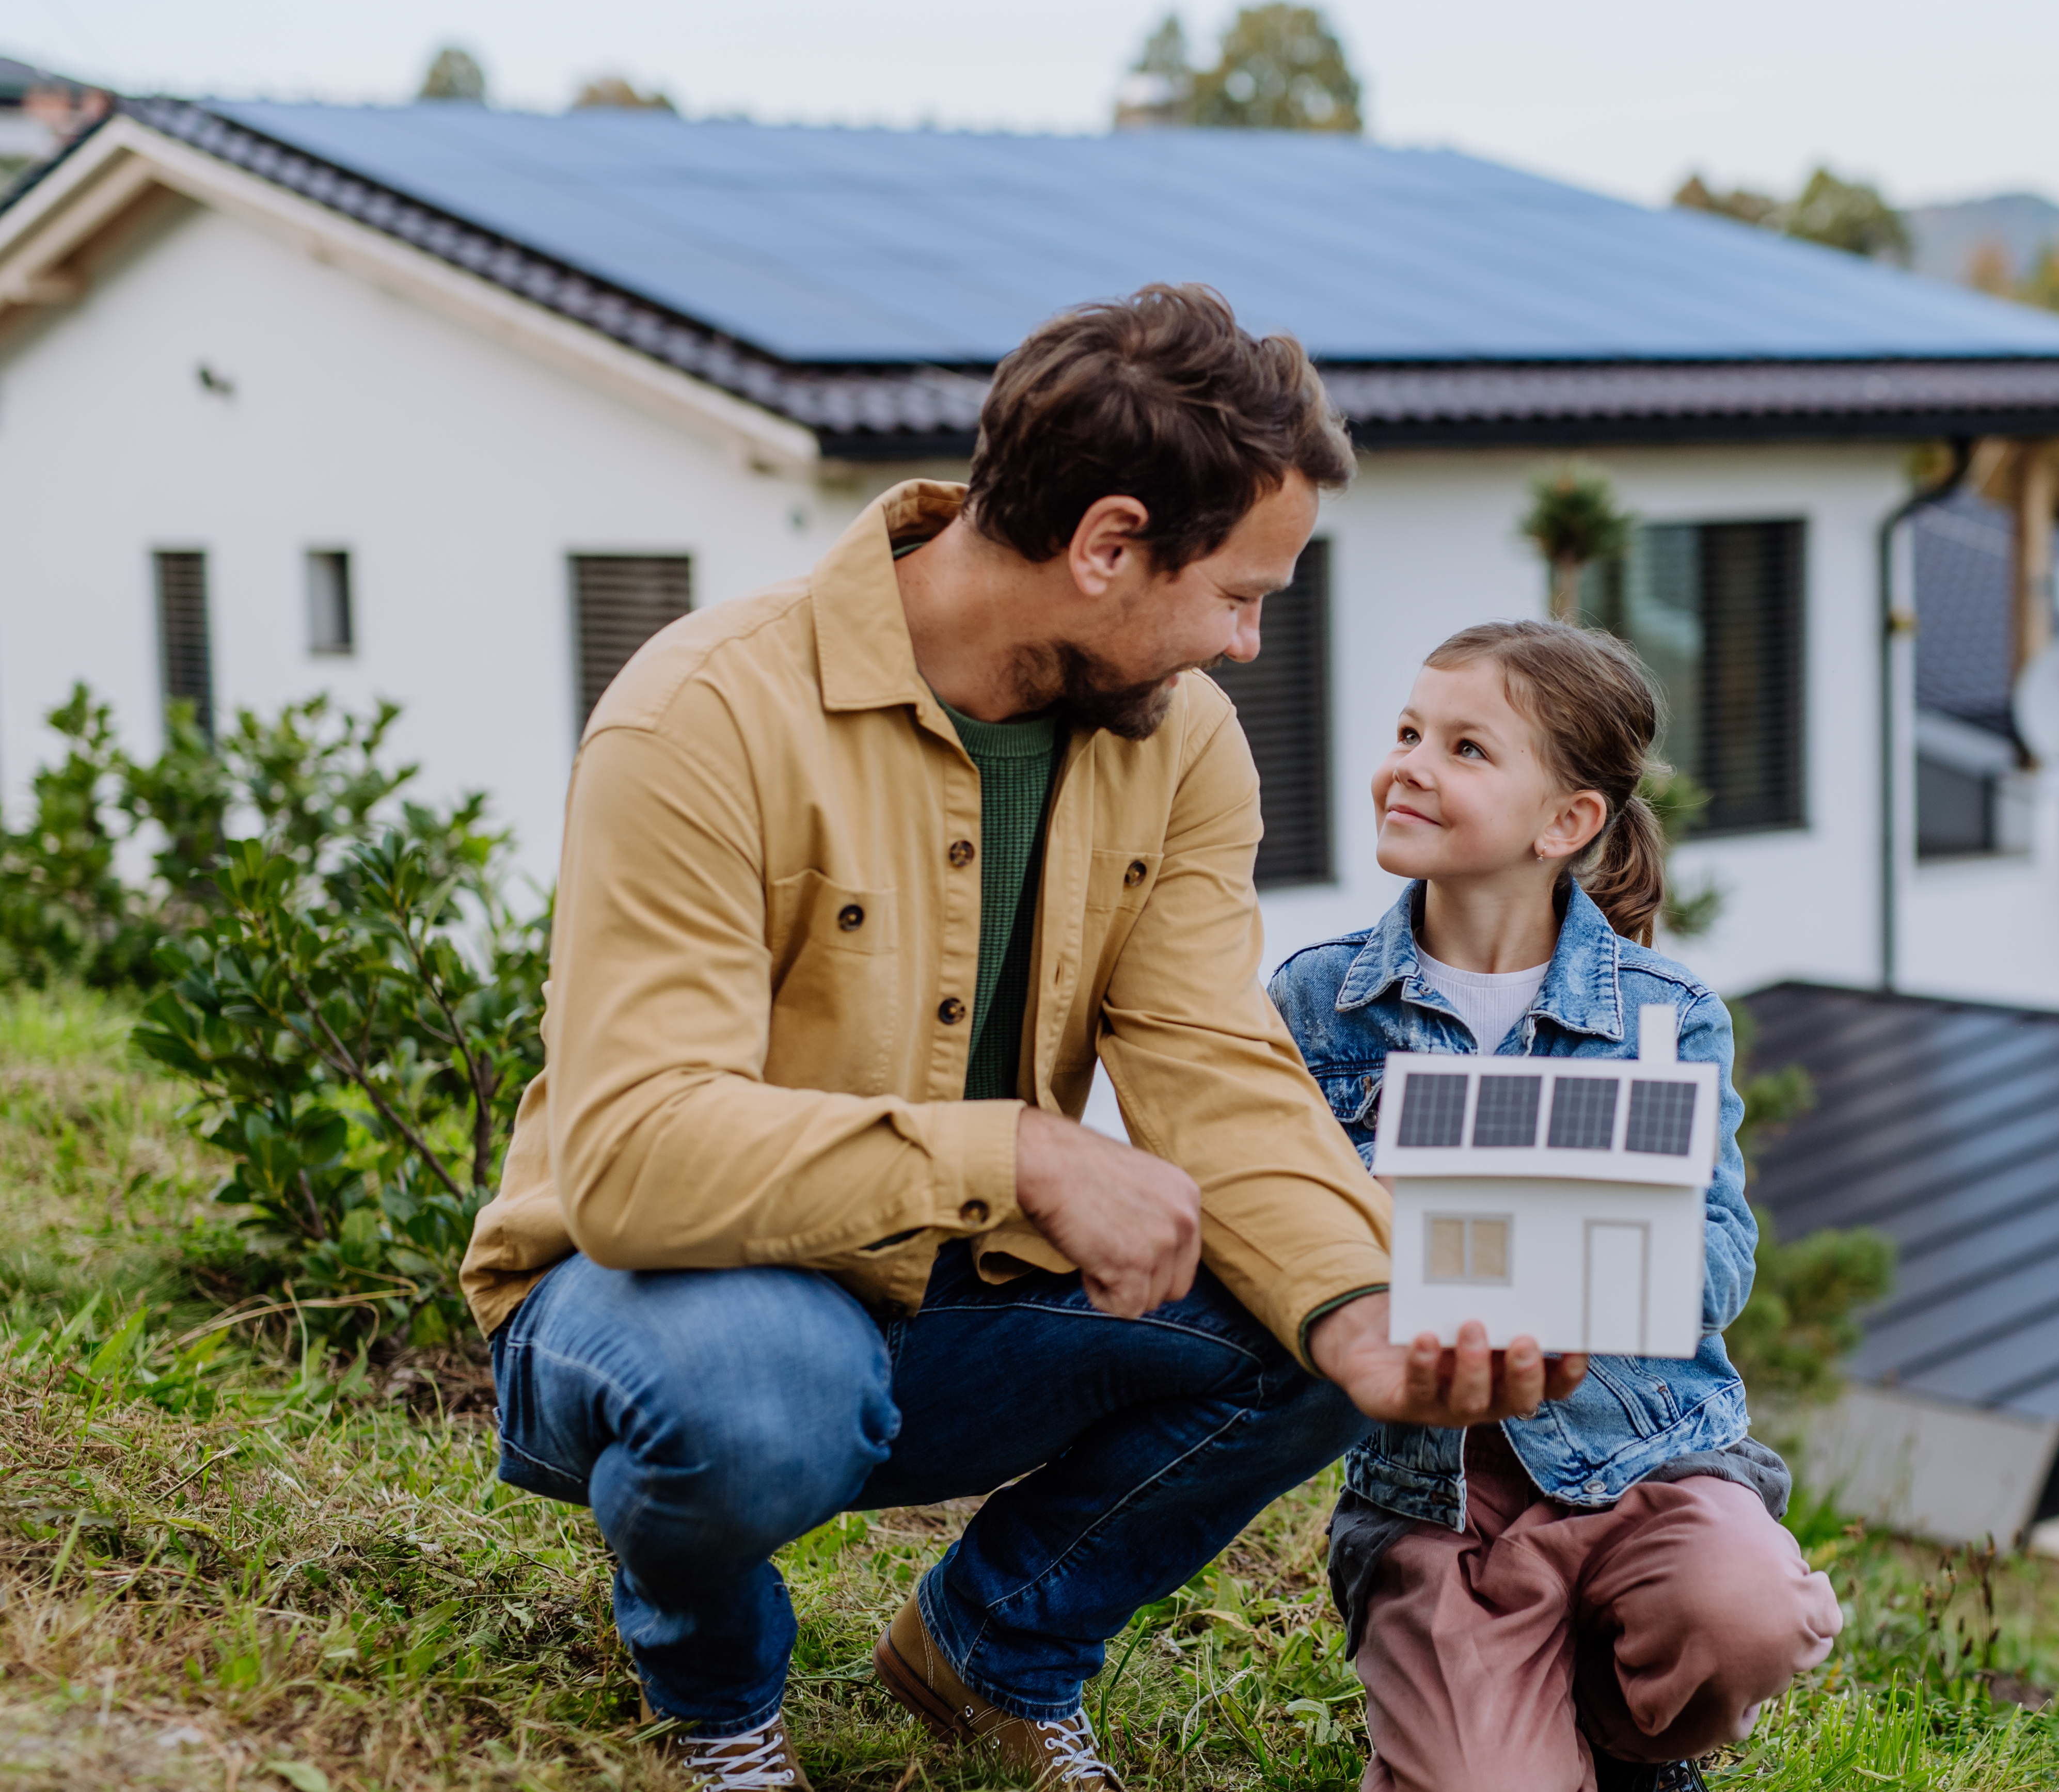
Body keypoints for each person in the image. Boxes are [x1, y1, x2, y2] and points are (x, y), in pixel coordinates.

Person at [458, 287, 1581, 1792]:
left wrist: (1364, 1306)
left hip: (946, 1308)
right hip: (656, 1308)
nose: (1250, 645)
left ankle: (991, 1651)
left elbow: (1212, 1067)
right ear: (1109, 546)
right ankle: (715, 1694)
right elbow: (633, 1164)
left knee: (1317, 1292)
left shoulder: (1178, 744)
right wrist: (1021, 1152)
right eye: (1241, 595)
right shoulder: (705, 712)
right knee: (769, 1384)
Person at [1268, 621, 1847, 1792]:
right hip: (1440, 1495)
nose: (1411, 764)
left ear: (1567, 822)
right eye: (1409, 732)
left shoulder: (1664, 1012)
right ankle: (1515, 1715)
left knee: (1749, 1613)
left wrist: (1523, 1240)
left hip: (1647, 1459)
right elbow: (1275, 1230)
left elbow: (1723, 1254)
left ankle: (1626, 1736)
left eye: (1467, 747)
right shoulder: (1318, 998)